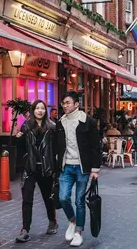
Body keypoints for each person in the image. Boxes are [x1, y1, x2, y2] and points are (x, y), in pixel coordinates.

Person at [55, 91, 101, 247]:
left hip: (82, 167)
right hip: (66, 166)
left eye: (68, 102)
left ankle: (78, 233)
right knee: (63, 198)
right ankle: (73, 221)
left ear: (76, 104)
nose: (65, 105)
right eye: (63, 103)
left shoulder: (88, 122)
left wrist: (95, 169)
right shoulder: (60, 122)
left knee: (80, 200)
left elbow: (96, 146)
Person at [15, 100, 58, 243]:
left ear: (46, 111)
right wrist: (18, 139)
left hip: (46, 168)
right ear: (33, 110)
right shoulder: (26, 126)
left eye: (42, 108)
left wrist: (56, 168)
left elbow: (56, 149)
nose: (40, 111)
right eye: (37, 108)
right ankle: (25, 230)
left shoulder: (52, 127)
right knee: (27, 198)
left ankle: (52, 222)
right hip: (30, 168)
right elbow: (21, 148)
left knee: (48, 197)